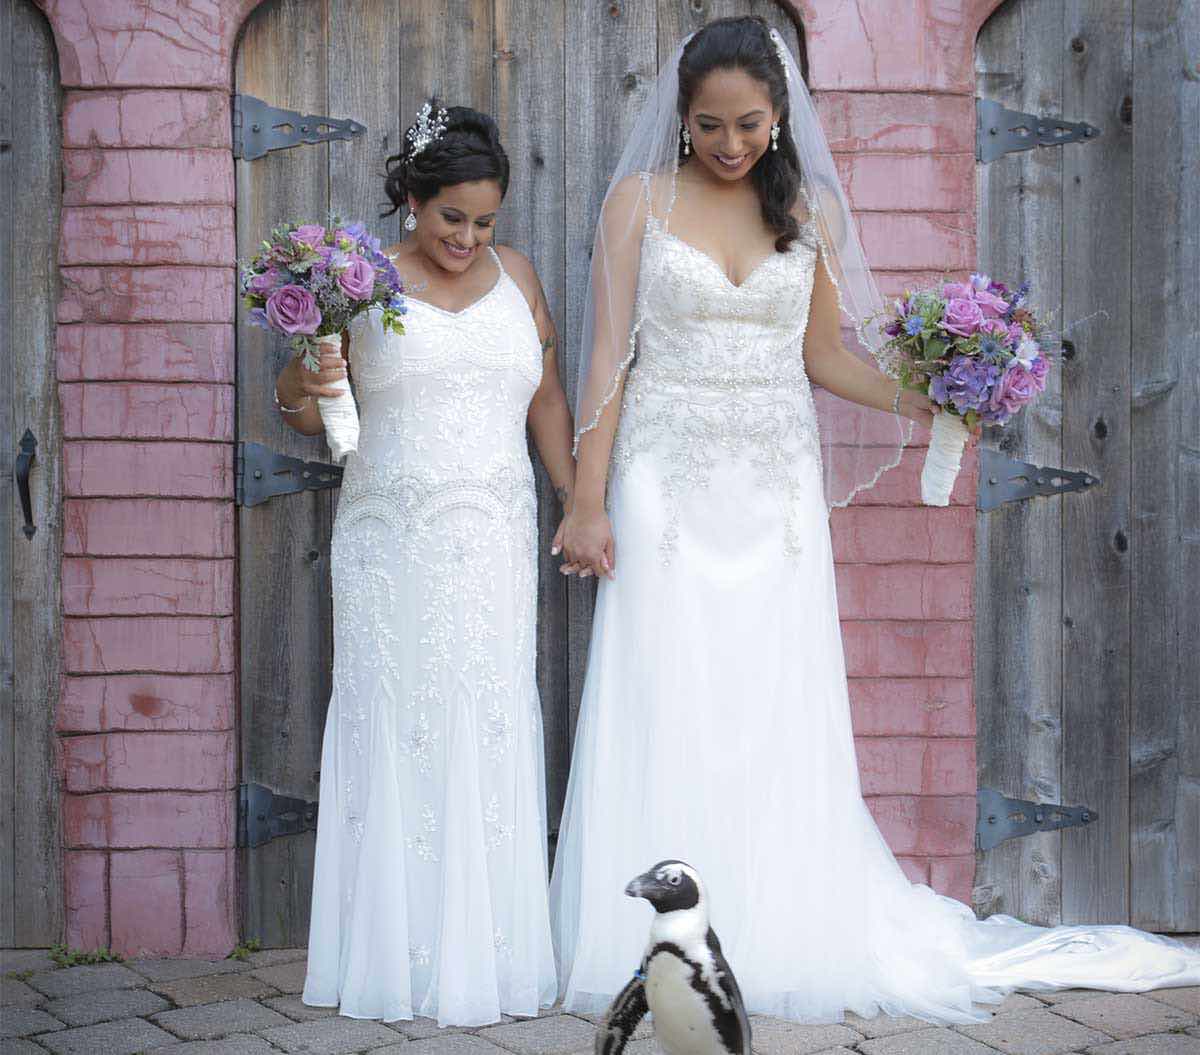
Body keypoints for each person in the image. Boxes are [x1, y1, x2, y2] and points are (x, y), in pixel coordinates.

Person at [550, 16, 1200, 1023]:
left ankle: (776, 916)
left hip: (775, 494)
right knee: (664, 687)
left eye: (751, 124)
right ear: (680, 119)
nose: (731, 146)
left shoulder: (808, 212)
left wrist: (938, 400)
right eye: (711, 126)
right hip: (662, 484)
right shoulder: (638, 202)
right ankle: (660, 933)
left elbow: (825, 358)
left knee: (771, 700)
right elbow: (605, 363)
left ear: (780, 115)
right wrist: (586, 500)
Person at [278, 103, 572, 1025]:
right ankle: (390, 955)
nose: (469, 237)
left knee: (485, 718)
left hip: (495, 534)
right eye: (453, 217)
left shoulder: (517, 274)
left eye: (484, 221)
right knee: (397, 718)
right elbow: (297, 406)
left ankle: (489, 955)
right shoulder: (358, 282)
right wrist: (310, 377)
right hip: (390, 540)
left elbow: (548, 399)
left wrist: (581, 500)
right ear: (412, 198)